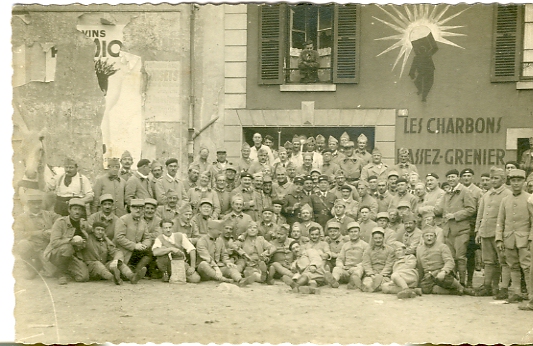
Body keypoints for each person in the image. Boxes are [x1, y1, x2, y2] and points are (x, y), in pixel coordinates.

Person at [495, 169, 533, 303]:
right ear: (509, 182)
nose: (516, 184)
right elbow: (500, 220)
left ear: (524, 182)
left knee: (527, 267)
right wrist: (499, 238)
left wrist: (531, 238)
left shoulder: (529, 198)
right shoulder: (505, 200)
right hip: (509, 238)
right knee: (513, 266)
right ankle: (516, 293)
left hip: (525, 239)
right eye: (513, 181)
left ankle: (531, 295)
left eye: (519, 181)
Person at [474, 166, 512, 297]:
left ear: (503, 179)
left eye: (496, 178)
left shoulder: (507, 194)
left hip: (499, 234)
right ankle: (489, 286)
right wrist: (478, 231)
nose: (493, 181)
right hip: (485, 232)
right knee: (488, 261)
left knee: (503, 261)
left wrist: (502, 235)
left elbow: (507, 217)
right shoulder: (486, 195)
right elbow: (481, 215)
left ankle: (503, 288)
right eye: (492, 178)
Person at [435, 168, 476, 286]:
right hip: (448, 231)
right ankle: (454, 283)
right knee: (450, 258)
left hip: (461, 230)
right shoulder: (447, 193)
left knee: (460, 257)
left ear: (458, 178)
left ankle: (463, 283)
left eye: (453, 177)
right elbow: (440, 209)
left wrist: (455, 215)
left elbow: (471, 209)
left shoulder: (465, 191)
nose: (450, 179)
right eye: (448, 177)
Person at [43, 198, 90, 285]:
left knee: (83, 277)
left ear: (83, 212)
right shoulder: (60, 222)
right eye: (75, 209)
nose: (77, 212)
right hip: (56, 253)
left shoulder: (83, 223)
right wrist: (71, 241)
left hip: (73, 255)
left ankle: (67, 269)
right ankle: (61, 273)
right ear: (69, 210)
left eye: (80, 209)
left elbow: (93, 231)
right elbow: (54, 242)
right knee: (67, 247)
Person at [13, 192, 59, 279]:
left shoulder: (49, 214)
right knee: (22, 244)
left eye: (38, 203)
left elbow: (61, 221)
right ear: (28, 204)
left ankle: (40, 263)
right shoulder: (22, 217)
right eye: (33, 203)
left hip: (46, 247)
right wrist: (39, 233)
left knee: (51, 273)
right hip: (32, 245)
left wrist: (52, 230)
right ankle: (31, 269)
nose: (37, 206)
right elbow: (18, 233)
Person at [196, 220, 253, 286]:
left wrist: (227, 262)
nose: (221, 232)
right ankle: (224, 280)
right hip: (205, 270)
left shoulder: (219, 240)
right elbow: (207, 258)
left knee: (230, 267)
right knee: (203, 264)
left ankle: (240, 280)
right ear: (210, 230)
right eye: (218, 230)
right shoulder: (201, 241)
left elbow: (224, 254)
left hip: (218, 267)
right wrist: (216, 268)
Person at [417, 228, 473, 295]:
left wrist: (444, 271)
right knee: (425, 289)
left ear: (435, 237)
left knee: (444, 279)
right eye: (427, 236)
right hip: (429, 276)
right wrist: (419, 281)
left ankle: (461, 288)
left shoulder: (442, 247)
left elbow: (450, 262)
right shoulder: (419, 249)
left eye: (431, 236)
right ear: (423, 237)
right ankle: (454, 292)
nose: (429, 238)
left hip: (441, 273)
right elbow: (420, 266)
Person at [113, 199, 152, 284]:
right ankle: (130, 273)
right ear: (130, 208)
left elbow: (147, 237)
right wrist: (134, 246)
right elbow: (119, 237)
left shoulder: (143, 222)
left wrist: (144, 245)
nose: (138, 210)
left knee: (149, 252)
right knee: (120, 262)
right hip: (123, 250)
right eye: (135, 208)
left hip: (136, 250)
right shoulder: (123, 220)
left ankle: (136, 272)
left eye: (141, 208)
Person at [152, 219, 201, 283]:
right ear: (161, 229)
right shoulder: (159, 238)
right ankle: (165, 274)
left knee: (195, 279)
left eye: (170, 227)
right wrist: (170, 249)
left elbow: (191, 249)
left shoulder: (179, 236)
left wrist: (192, 267)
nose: (168, 230)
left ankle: (177, 275)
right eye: (165, 228)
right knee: (162, 249)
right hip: (168, 265)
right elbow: (155, 252)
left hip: (180, 263)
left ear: (173, 227)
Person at [328, 222, 369, 289]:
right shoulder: (345, 245)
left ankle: (353, 283)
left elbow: (366, 260)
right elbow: (340, 258)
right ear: (348, 233)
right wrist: (341, 265)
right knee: (336, 269)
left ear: (359, 232)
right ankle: (334, 281)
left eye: (355, 231)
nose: (353, 234)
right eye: (351, 232)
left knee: (359, 270)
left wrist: (358, 266)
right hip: (346, 269)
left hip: (357, 268)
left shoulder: (365, 245)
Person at [461, 168, 483, 287]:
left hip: (471, 225)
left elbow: (480, 210)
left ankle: (469, 280)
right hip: (459, 225)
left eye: (469, 175)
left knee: (470, 254)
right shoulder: (458, 190)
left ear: (473, 177)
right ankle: (460, 280)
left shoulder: (478, 192)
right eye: (464, 176)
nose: (466, 178)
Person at [361, 228, 395, 292]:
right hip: (371, 275)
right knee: (367, 283)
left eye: (380, 238)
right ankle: (372, 287)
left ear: (383, 238)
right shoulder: (368, 250)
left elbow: (389, 265)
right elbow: (366, 263)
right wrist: (371, 274)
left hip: (384, 275)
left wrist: (380, 275)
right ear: (373, 239)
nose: (378, 240)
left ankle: (374, 287)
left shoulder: (390, 250)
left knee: (384, 284)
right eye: (376, 238)